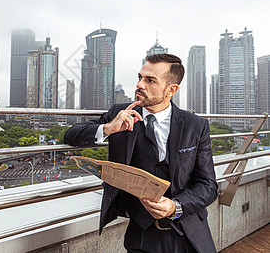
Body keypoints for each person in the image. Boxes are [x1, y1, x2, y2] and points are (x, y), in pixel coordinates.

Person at [64, 54, 217, 253]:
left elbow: (208, 185)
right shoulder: (120, 113)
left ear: (171, 90)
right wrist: (109, 128)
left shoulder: (195, 125)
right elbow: (71, 135)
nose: (139, 85)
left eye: (150, 80)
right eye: (140, 77)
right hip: (141, 233)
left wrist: (175, 207)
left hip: (188, 230)